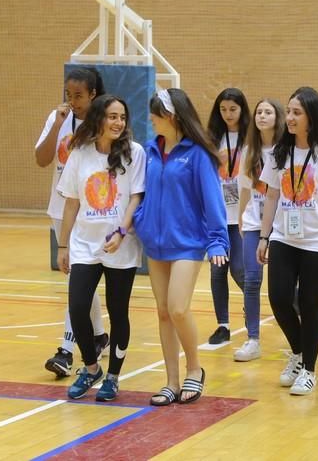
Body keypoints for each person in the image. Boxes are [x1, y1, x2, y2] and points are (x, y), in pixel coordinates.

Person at [133, 88, 229, 405]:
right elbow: (143, 192)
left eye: (155, 114)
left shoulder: (197, 154)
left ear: (171, 117)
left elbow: (212, 200)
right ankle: (171, 381)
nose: (151, 119)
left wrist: (218, 240)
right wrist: (140, 219)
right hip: (156, 242)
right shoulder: (150, 150)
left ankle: (195, 370)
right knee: (162, 313)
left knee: (177, 307)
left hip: (188, 243)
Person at [257, 87, 318, 396]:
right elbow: (272, 194)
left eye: (297, 112)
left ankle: (309, 370)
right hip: (285, 236)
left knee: (312, 305)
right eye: (289, 112)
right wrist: (264, 234)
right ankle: (298, 352)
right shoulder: (280, 153)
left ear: (311, 117)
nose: (290, 118)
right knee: (279, 298)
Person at [56, 94, 145, 401]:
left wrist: (122, 232)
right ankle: (91, 367)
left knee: (118, 312)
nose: (118, 122)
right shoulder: (79, 154)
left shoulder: (135, 153)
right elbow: (71, 202)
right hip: (84, 243)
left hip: (120, 245)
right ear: (98, 119)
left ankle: (113, 376)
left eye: (122, 117)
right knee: (78, 306)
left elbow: (136, 198)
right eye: (112, 116)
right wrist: (63, 245)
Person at [35, 67, 109, 378]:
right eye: (69, 95)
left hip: (92, 209)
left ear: (93, 94)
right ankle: (99, 335)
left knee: (77, 280)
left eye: (79, 95)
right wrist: (59, 125)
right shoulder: (59, 119)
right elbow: (41, 158)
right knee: (79, 280)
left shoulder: (104, 123)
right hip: (61, 207)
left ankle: (66, 350)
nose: (73, 101)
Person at [234, 98, 285, 362]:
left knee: (284, 287)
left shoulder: (285, 149)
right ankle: (252, 338)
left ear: (278, 117)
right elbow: (245, 187)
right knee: (251, 280)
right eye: (259, 112)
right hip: (254, 222)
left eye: (268, 112)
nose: (262, 116)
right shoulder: (249, 150)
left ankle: (294, 338)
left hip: (282, 226)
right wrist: (242, 215)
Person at [207, 88, 250, 344]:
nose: (228, 114)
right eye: (223, 109)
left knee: (240, 271)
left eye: (233, 109)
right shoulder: (212, 138)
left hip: (243, 216)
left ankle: (251, 307)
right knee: (216, 271)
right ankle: (222, 325)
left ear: (242, 110)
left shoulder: (250, 139)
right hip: (218, 215)